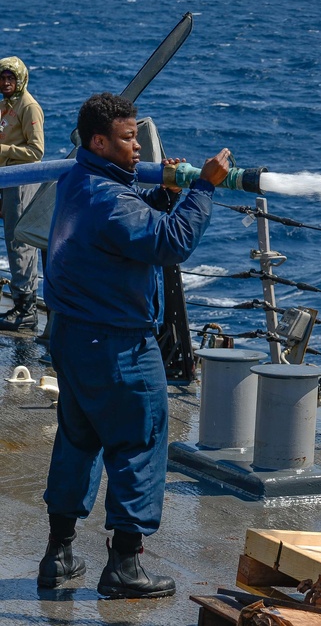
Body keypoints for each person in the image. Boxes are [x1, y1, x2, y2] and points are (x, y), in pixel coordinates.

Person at [37, 92, 231, 598]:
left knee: (78, 440)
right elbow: (169, 243)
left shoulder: (78, 181)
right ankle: (124, 566)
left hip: (70, 334)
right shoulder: (111, 198)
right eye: (128, 139)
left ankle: (58, 555)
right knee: (139, 442)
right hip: (117, 343)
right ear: (99, 141)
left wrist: (166, 193)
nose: (138, 149)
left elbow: (128, 233)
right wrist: (202, 189)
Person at [0, 56, 43, 331]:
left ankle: (26, 309)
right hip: (6, 181)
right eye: (2, 78)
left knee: (20, 243)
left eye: (10, 78)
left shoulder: (29, 107)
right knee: (12, 240)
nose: (5, 83)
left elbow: (36, 152)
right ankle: (20, 302)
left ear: (20, 79)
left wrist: (3, 152)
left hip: (22, 182)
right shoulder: (7, 105)